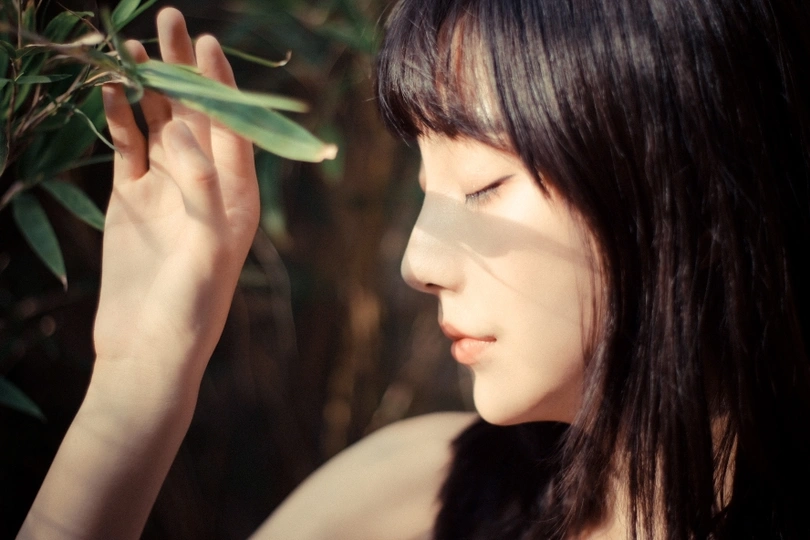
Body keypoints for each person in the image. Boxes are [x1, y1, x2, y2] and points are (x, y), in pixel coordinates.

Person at [18, 0, 810, 538]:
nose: (417, 263)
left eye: (484, 183)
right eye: (425, 183)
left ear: (680, 181)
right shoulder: (411, 493)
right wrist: (135, 387)